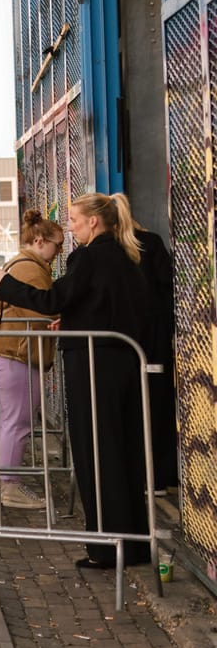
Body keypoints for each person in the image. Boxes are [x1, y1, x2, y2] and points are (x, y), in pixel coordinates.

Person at [0, 192, 154, 570]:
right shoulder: (125, 255)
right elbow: (109, 305)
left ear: (93, 221)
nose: (72, 228)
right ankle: (133, 544)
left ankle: (106, 547)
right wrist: (77, 320)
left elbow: (55, 299)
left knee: (96, 453)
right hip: (121, 362)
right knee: (123, 452)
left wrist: (5, 283)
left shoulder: (90, 256)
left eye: (76, 221)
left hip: (93, 365)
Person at [0, 211, 62, 514]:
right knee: (18, 421)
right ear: (40, 241)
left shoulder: (22, 263)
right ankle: (10, 486)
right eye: (57, 245)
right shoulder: (30, 267)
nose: (59, 252)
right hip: (16, 352)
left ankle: (9, 482)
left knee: (12, 420)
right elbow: (42, 309)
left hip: (11, 350)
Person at [115, 194, 179, 493]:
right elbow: (168, 288)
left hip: (122, 341)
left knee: (128, 409)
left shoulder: (109, 250)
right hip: (155, 338)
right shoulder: (150, 243)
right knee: (159, 405)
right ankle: (160, 476)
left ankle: (134, 475)